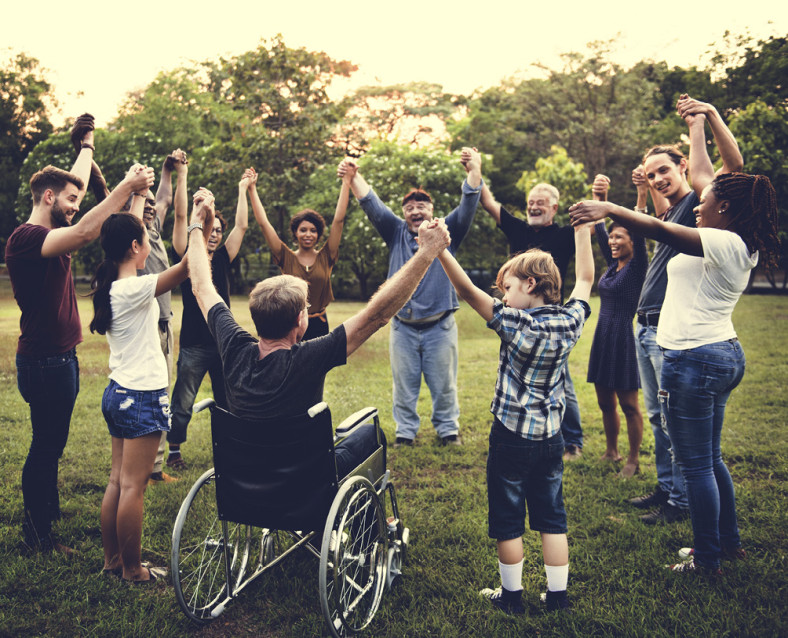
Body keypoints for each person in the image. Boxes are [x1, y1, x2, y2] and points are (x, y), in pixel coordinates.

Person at [570, 161, 779, 574]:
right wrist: (699, 121)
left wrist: (610, 208)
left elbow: (662, 231)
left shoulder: (723, 241)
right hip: (717, 352)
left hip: (694, 358)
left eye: (706, 203)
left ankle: (707, 559)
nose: (698, 208)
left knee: (696, 464)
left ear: (729, 209)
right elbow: (700, 173)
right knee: (710, 458)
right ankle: (727, 544)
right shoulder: (738, 242)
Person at [184, 188, 452, 475]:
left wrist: (197, 223)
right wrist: (426, 253)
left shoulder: (234, 347)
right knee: (373, 436)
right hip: (307, 478)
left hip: (247, 477)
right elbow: (379, 314)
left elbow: (201, 286)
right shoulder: (310, 357)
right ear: (302, 320)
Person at [5, 121, 154, 552]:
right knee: (45, 445)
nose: (76, 205)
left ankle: (45, 514)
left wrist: (86, 146)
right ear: (47, 198)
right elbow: (89, 228)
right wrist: (126, 185)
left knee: (51, 442)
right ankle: (37, 534)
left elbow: (79, 189)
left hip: (60, 359)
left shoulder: (50, 230)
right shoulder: (27, 239)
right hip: (44, 362)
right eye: (70, 201)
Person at [435, 218, 594, 614]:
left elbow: (466, 291)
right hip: (551, 438)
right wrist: (582, 230)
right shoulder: (571, 320)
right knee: (551, 516)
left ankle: (512, 598)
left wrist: (438, 250)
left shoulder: (514, 322)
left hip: (510, 437)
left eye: (508, 287)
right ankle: (558, 598)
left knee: (508, 517)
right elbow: (587, 278)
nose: (503, 296)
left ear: (531, 285)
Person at [626, 94, 743, 525]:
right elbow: (658, 212)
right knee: (659, 419)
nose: (659, 178)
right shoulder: (681, 210)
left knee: (678, 428)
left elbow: (724, 170)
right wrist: (643, 187)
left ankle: (681, 503)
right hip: (648, 325)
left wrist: (703, 120)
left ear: (683, 170)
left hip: (674, 336)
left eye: (664, 171)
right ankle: (668, 487)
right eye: (652, 172)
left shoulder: (699, 207)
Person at [339, 148, 482, 447]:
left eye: (422, 206)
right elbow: (371, 203)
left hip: (440, 327)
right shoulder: (394, 232)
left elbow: (469, 202)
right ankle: (405, 433)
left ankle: (447, 431)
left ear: (432, 210)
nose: (416, 211)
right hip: (402, 327)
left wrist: (474, 168)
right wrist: (354, 176)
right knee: (404, 387)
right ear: (404, 214)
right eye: (409, 208)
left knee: (444, 386)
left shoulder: (447, 231)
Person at [89, 202, 200, 583]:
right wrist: (200, 221)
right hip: (140, 397)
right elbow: (187, 268)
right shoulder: (135, 288)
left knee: (118, 481)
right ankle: (134, 571)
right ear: (137, 246)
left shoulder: (111, 286)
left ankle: (113, 561)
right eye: (144, 241)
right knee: (133, 485)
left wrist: (136, 205)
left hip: (118, 393)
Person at [479, 179, 584, 461]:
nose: (533, 207)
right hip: (516, 320)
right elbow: (488, 202)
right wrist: (474, 171)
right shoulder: (519, 229)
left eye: (540, 203)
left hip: (550, 323)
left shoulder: (564, 235)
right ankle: (517, 428)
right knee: (515, 376)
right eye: (530, 203)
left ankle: (571, 441)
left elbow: (589, 249)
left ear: (554, 207)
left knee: (562, 381)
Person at [166, 167, 250, 470]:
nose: (214, 235)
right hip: (193, 345)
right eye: (210, 230)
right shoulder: (187, 257)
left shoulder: (225, 258)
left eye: (218, 231)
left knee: (228, 400)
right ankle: (174, 450)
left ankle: (229, 448)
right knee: (183, 402)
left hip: (223, 343)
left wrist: (243, 189)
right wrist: (191, 197)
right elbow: (179, 220)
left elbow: (241, 226)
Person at [587, 174, 648, 479]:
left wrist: (640, 195)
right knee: (604, 401)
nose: (612, 241)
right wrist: (600, 197)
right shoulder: (613, 265)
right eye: (611, 237)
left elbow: (639, 225)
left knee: (628, 404)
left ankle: (634, 460)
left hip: (623, 336)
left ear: (632, 242)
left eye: (619, 237)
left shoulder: (638, 266)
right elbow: (598, 228)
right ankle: (612, 451)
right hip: (602, 336)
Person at [134, 149, 188, 485]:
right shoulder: (132, 232)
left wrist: (167, 170)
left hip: (164, 323)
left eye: (153, 201)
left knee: (161, 392)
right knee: (154, 393)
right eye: (145, 201)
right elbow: (150, 203)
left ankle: (151, 466)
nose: (152, 205)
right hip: (148, 325)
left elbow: (164, 200)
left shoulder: (152, 230)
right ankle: (150, 469)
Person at [249, 164, 351, 340]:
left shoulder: (327, 256)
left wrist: (346, 181)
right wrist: (251, 189)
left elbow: (338, 221)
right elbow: (264, 224)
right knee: (291, 366)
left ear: (319, 234)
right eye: (303, 230)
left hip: (319, 323)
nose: (308, 234)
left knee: (318, 367)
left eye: (313, 230)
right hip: (289, 324)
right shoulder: (286, 257)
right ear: (295, 233)